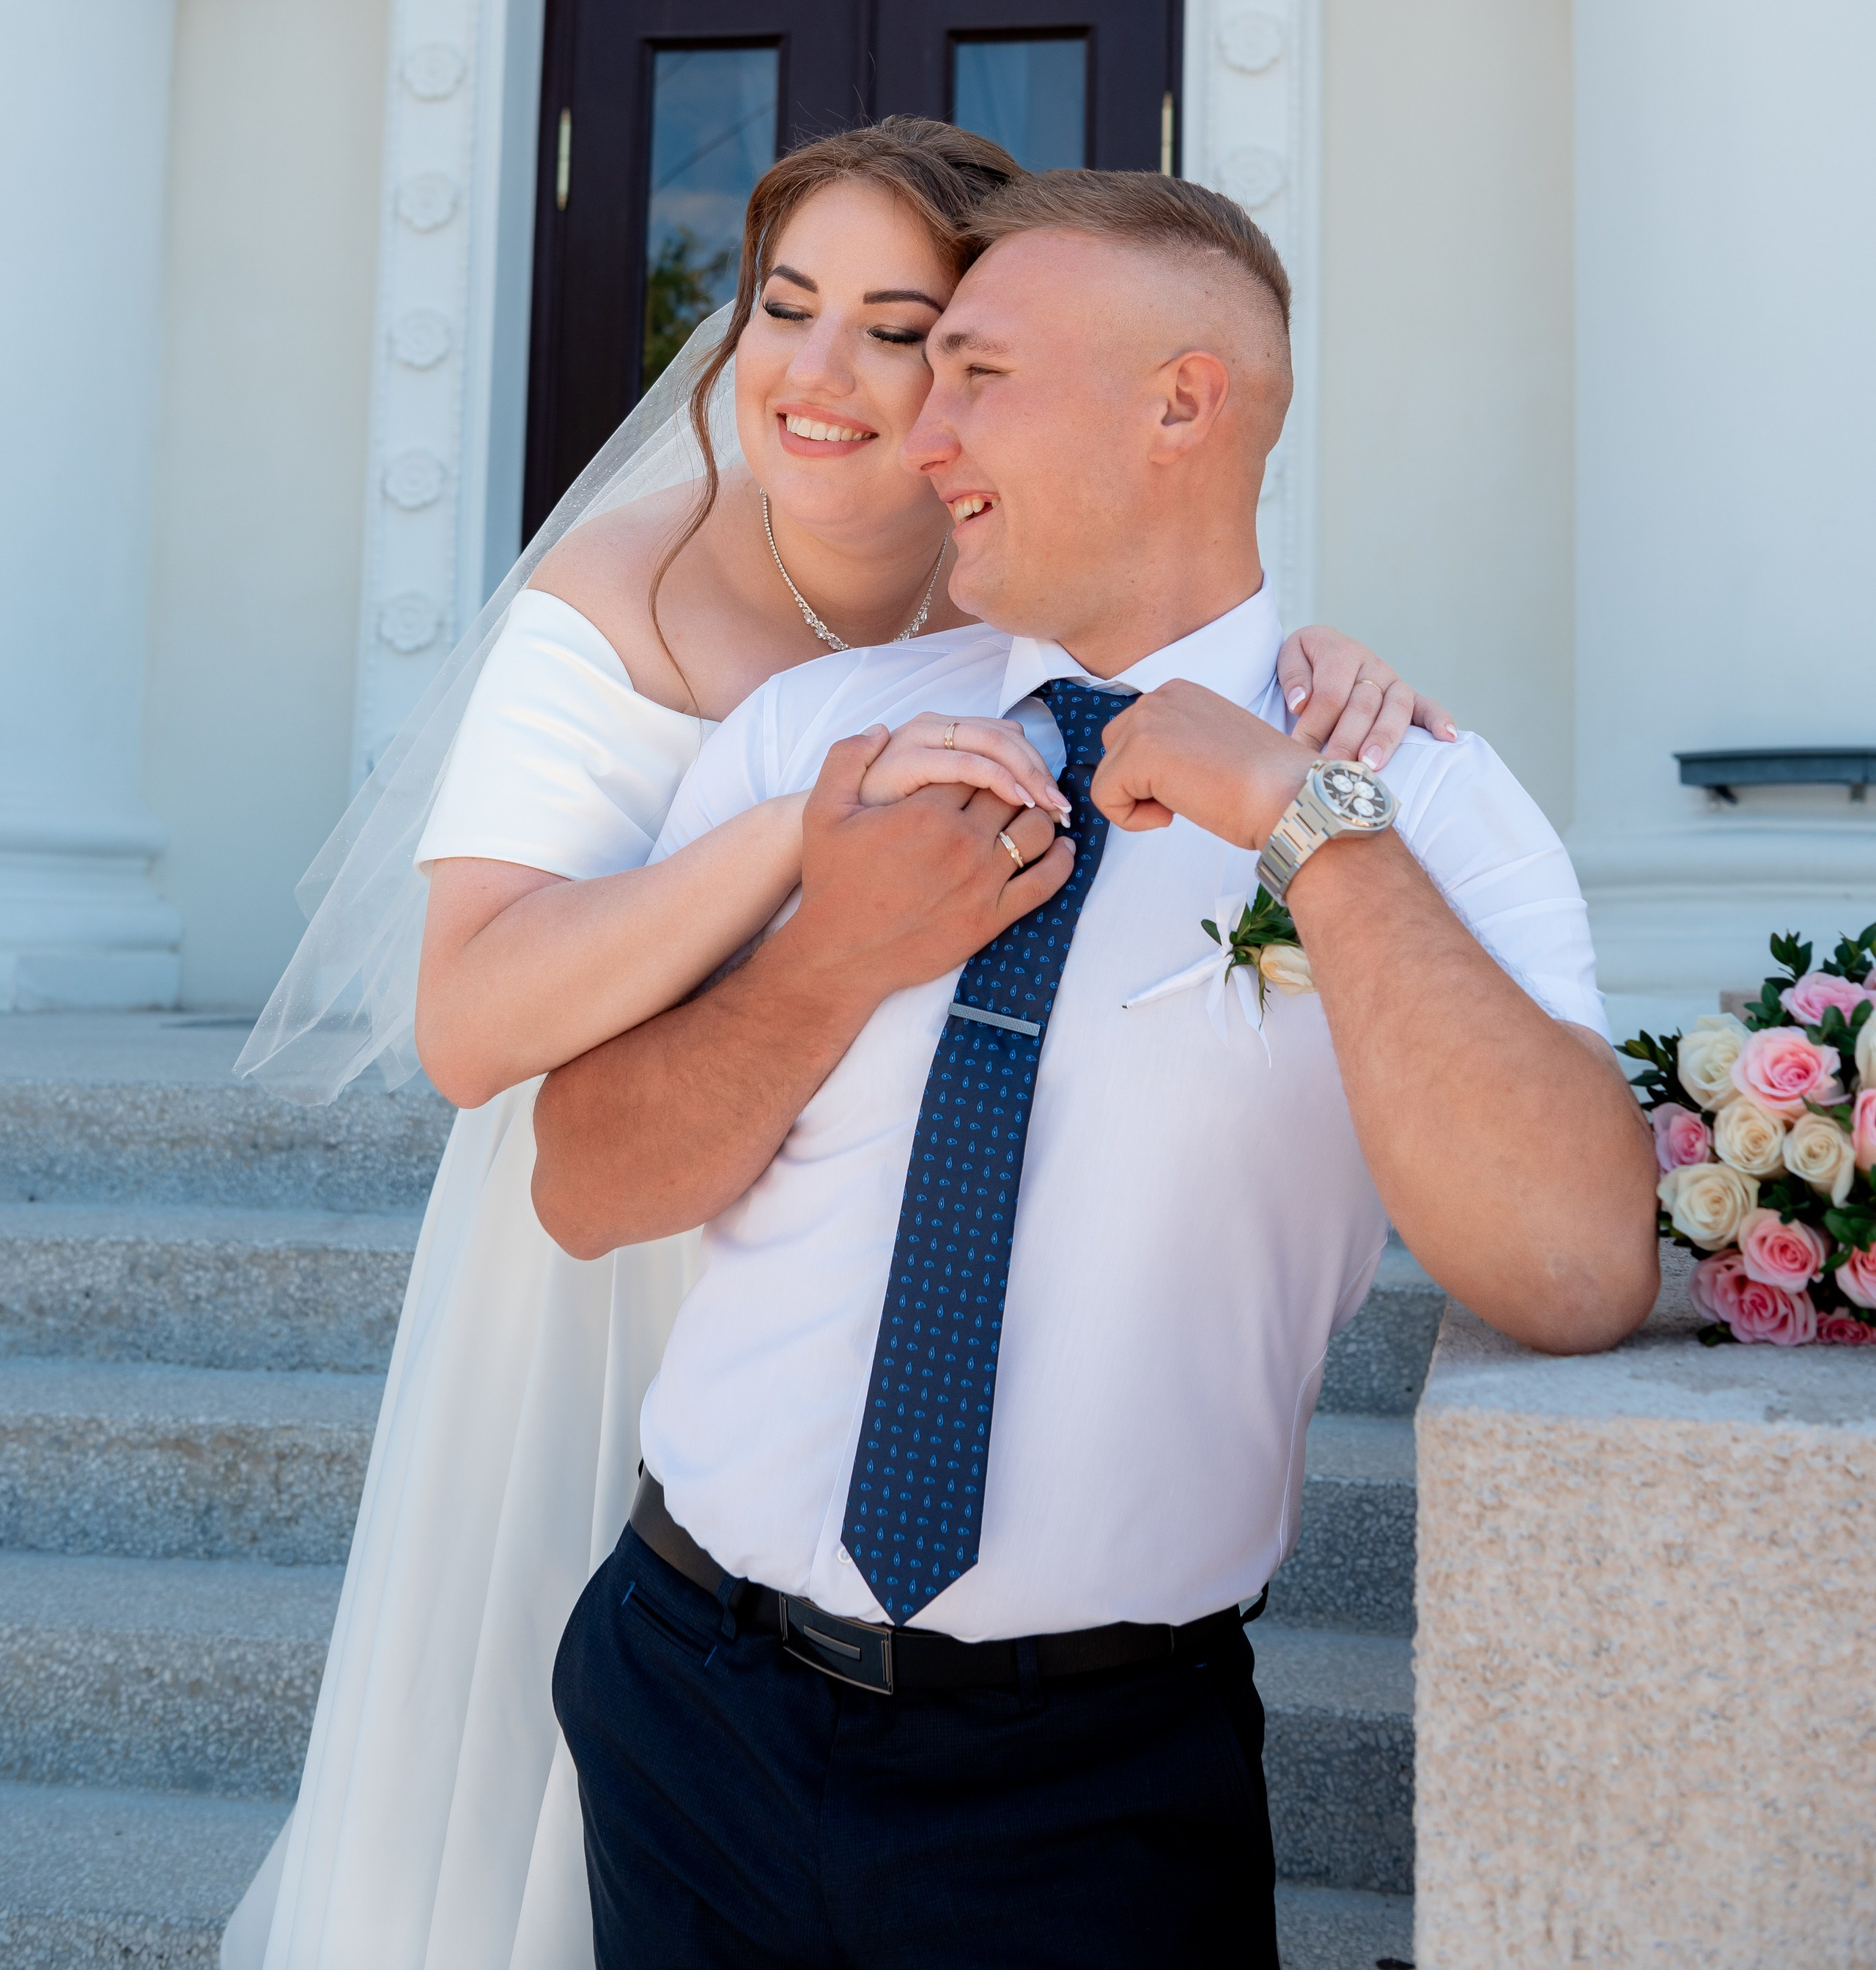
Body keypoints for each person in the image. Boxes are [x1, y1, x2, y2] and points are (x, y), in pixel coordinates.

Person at [221, 122, 1448, 1970]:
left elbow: (1184, 622)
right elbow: (467, 1026)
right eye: (781, 305)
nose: (815, 372)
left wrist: (1313, 671)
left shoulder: (1027, 591)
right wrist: (799, 837)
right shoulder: (621, 592)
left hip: (893, 1281)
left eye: (899, 332)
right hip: (618, 1243)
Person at [534, 166, 1661, 1970]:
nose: (920, 432)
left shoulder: (1423, 803)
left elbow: (1574, 1266)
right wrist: (836, 949)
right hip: (687, 1703)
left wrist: (1305, 823)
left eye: (975, 372)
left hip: (1089, 1793)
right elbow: (584, 1184)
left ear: (1179, 403)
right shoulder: (809, 741)